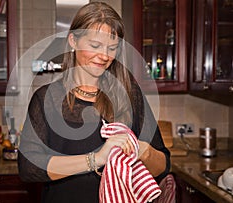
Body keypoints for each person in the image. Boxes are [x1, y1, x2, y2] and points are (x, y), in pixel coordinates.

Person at [18, 2, 170, 203]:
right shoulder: (47, 98)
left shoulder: (130, 95)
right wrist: (96, 159)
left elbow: (164, 165)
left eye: (112, 48)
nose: (104, 56)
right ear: (73, 40)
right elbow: (29, 168)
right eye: (95, 46)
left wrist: (143, 151)